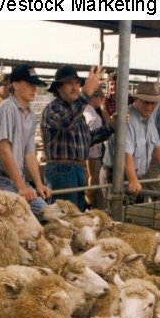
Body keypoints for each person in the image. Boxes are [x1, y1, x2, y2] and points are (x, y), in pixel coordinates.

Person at [40, 65, 112, 211]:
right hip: (62, 170)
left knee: (76, 216)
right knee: (66, 218)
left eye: (77, 83)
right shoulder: (53, 108)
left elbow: (87, 139)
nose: (75, 87)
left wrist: (111, 127)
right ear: (58, 88)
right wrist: (86, 92)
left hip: (77, 169)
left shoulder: (77, 111)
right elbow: (66, 122)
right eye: (69, 83)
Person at [0, 64, 51, 218]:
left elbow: (30, 153)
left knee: (48, 214)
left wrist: (38, 184)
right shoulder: (7, 108)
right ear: (16, 85)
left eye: (35, 85)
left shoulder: (30, 113)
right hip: (3, 180)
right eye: (30, 84)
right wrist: (21, 187)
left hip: (18, 180)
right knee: (20, 222)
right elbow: (3, 150)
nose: (34, 89)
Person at [103, 82, 160, 200]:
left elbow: (157, 146)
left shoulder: (149, 119)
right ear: (136, 99)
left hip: (134, 178)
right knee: (117, 215)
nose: (149, 107)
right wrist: (133, 180)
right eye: (146, 102)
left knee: (134, 214)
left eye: (153, 103)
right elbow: (125, 154)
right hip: (117, 176)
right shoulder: (128, 119)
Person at [83, 86, 110, 208]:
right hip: (92, 159)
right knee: (95, 185)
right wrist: (92, 171)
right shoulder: (94, 118)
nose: (102, 100)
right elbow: (93, 145)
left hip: (84, 158)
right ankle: (93, 207)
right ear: (93, 98)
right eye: (101, 97)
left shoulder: (84, 111)